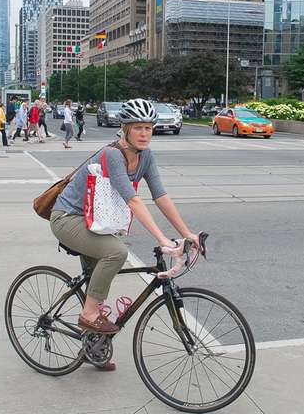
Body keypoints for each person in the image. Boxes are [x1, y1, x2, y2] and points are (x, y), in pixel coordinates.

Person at [50, 98, 200, 365]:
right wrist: (163, 239)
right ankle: (88, 315)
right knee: (116, 253)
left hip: (95, 221)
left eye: (149, 128)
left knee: (102, 275)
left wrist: (187, 233)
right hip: (68, 218)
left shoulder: (146, 157)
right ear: (125, 128)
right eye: (138, 127)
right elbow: (133, 199)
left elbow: (161, 196)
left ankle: (92, 348)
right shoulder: (113, 155)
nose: (144, 133)